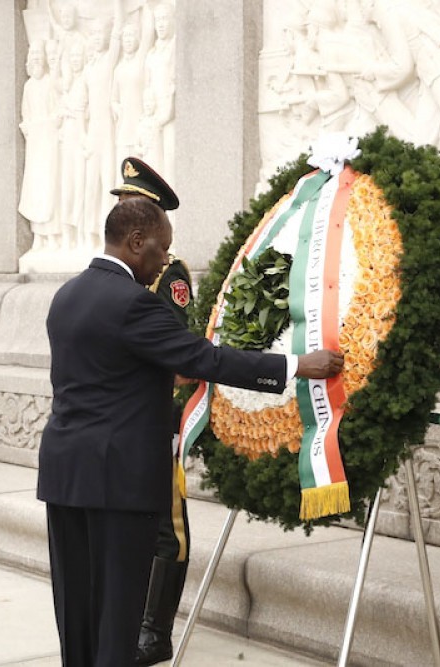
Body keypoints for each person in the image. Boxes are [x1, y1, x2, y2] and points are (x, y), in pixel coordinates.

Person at [38, 196, 344, 667]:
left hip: (65, 474)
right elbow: (206, 359)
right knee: (118, 618)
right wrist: (297, 364)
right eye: (161, 249)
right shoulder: (134, 303)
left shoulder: (67, 295)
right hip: (118, 482)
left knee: (76, 610)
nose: (164, 262)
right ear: (136, 241)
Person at [109, 156, 192, 665]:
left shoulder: (169, 274)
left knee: (169, 524)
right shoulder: (119, 276)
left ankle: (153, 632)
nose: (122, 211)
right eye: (121, 203)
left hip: (161, 415)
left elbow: (179, 352)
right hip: (126, 421)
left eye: (131, 204)